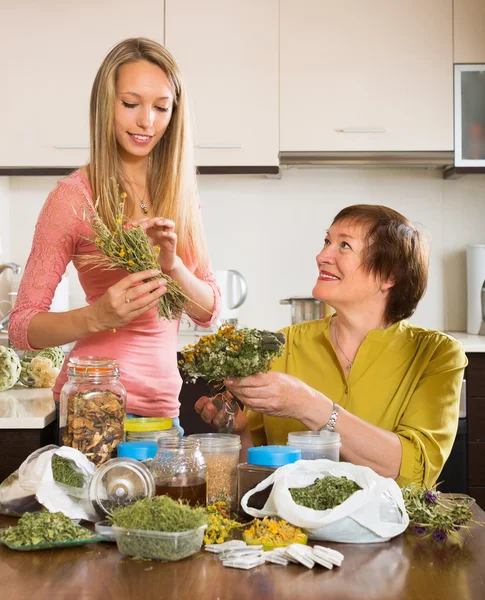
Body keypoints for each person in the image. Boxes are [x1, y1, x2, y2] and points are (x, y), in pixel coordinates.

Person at [9, 38, 221, 433]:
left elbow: (209, 312)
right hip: (92, 408)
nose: (147, 122)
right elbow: (22, 327)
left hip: (164, 414)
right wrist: (98, 316)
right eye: (131, 104)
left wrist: (171, 265)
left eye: (161, 107)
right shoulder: (73, 198)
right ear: (105, 104)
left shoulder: (180, 194)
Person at [196, 205, 467, 487]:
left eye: (344, 245)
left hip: (391, 527)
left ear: (389, 275)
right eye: (327, 241)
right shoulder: (283, 345)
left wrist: (306, 404)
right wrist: (239, 430)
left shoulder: (436, 354)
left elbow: (415, 473)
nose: (322, 256)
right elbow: (256, 475)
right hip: (291, 527)